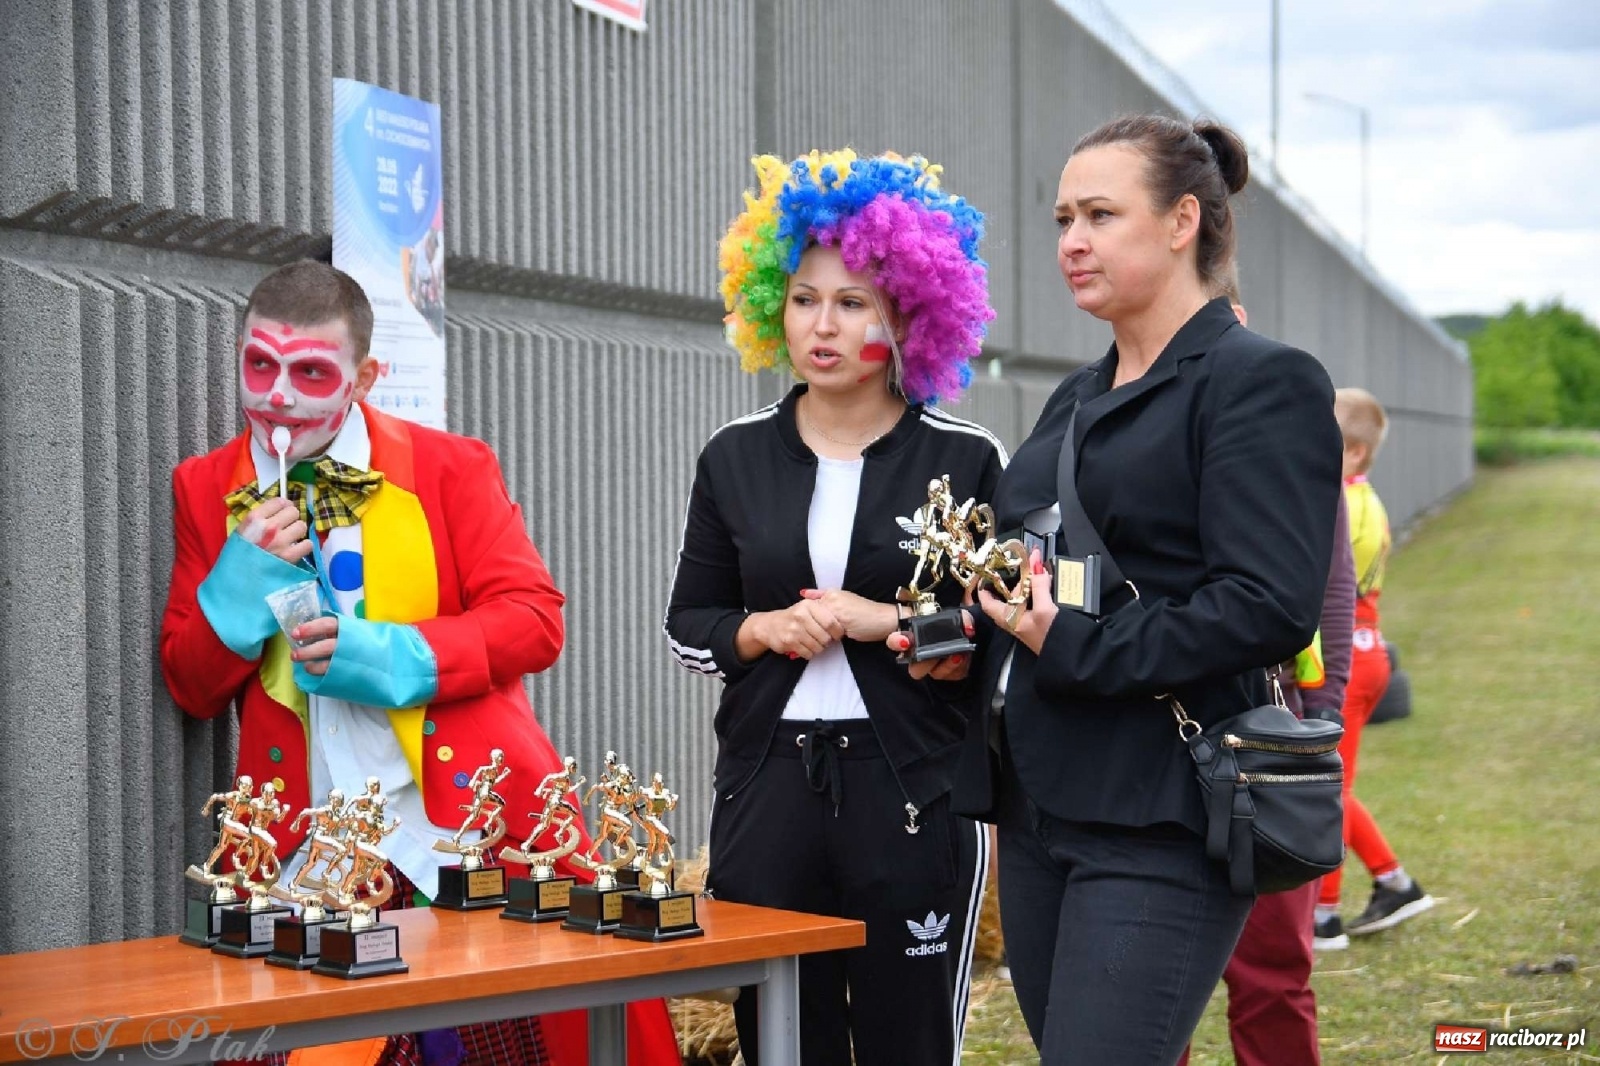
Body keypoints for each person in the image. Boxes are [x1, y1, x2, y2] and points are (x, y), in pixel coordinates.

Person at [158, 260, 679, 1066]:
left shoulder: (450, 467)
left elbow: (536, 622)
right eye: (260, 365)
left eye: (311, 372)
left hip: (457, 833)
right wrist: (232, 594)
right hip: (306, 846)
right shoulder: (203, 486)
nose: (279, 397)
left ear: (366, 376)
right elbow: (190, 685)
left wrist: (393, 656)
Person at [934, 116, 1344, 1065]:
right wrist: (963, 632)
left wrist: (1071, 646)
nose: (1072, 241)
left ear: (1181, 221)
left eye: (1101, 215)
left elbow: (1267, 603)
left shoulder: (1259, 382)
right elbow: (1035, 571)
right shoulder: (1073, 399)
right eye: (1064, 218)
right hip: (1039, 810)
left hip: (1163, 811)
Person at [666, 149, 1004, 1065]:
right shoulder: (732, 456)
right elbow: (688, 622)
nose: (823, 324)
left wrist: (883, 623)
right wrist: (761, 629)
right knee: (780, 1037)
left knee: (910, 1035)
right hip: (768, 779)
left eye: (854, 302)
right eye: (806, 297)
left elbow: (1004, 630)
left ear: (908, 319)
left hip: (912, 783)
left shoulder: (967, 458)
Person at [1174, 265, 1357, 1066]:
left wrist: (1326, 715)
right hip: (1154, 735)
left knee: (1274, 971)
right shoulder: (1125, 431)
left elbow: (1334, 589)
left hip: (1272, 737)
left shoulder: (1279, 431)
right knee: (1150, 986)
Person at [1315, 388, 1435, 946]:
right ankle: (1394, 880)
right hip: (1366, 651)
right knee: (1333, 783)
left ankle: (1326, 911)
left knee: (1328, 787)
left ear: (1356, 453)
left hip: (1352, 656)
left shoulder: (1347, 502)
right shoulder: (1362, 497)